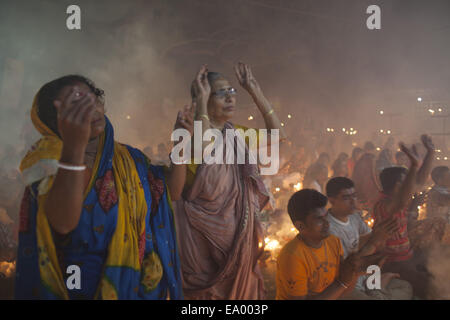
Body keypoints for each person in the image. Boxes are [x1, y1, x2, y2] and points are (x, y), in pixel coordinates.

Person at [15, 75, 192, 299]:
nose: (91, 109)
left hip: (135, 286)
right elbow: (62, 223)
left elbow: (172, 190)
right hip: (78, 285)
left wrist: (182, 141)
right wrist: (74, 147)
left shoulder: (129, 158)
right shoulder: (47, 160)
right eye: (75, 105)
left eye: (92, 99)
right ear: (54, 121)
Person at [174, 63, 287, 299]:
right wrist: (201, 102)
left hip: (237, 235)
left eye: (232, 92)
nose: (230, 98)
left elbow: (278, 134)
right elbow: (205, 147)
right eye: (221, 93)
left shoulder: (236, 133)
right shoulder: (188, 131)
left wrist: (255, 91)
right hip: (200, 239)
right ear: (203, 97)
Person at [276, 189, 385, 300]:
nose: (327, 223)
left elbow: (343, 291)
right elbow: (341, 285)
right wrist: (341, 282)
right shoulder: (292, 257)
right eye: (319, 219)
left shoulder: (333, 242)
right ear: (300, 226)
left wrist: (354, 271)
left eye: (326, 216)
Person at [325, 177, 413, 300]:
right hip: (348, 285)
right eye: (346, 198)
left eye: (354, 196)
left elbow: (374, 242)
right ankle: (378, 290)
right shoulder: (328, 229)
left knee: (406, 286)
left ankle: (377, 289)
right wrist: (374, 241)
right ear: (332, 200)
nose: (353, 201)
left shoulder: (354, 217)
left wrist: (381, 235)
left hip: (367, 276)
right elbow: (349, 267)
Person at [373, 135, 437, 299]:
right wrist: (414, 166)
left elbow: (420, 181)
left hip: (406, 255)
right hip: (392, 263)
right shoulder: (384, 205)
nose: (411, 186)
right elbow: (401, 201)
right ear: (397, 186)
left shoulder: (399, 200)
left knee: (434, 267)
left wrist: (431, 152)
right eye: (405, 182)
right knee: (430, 286)